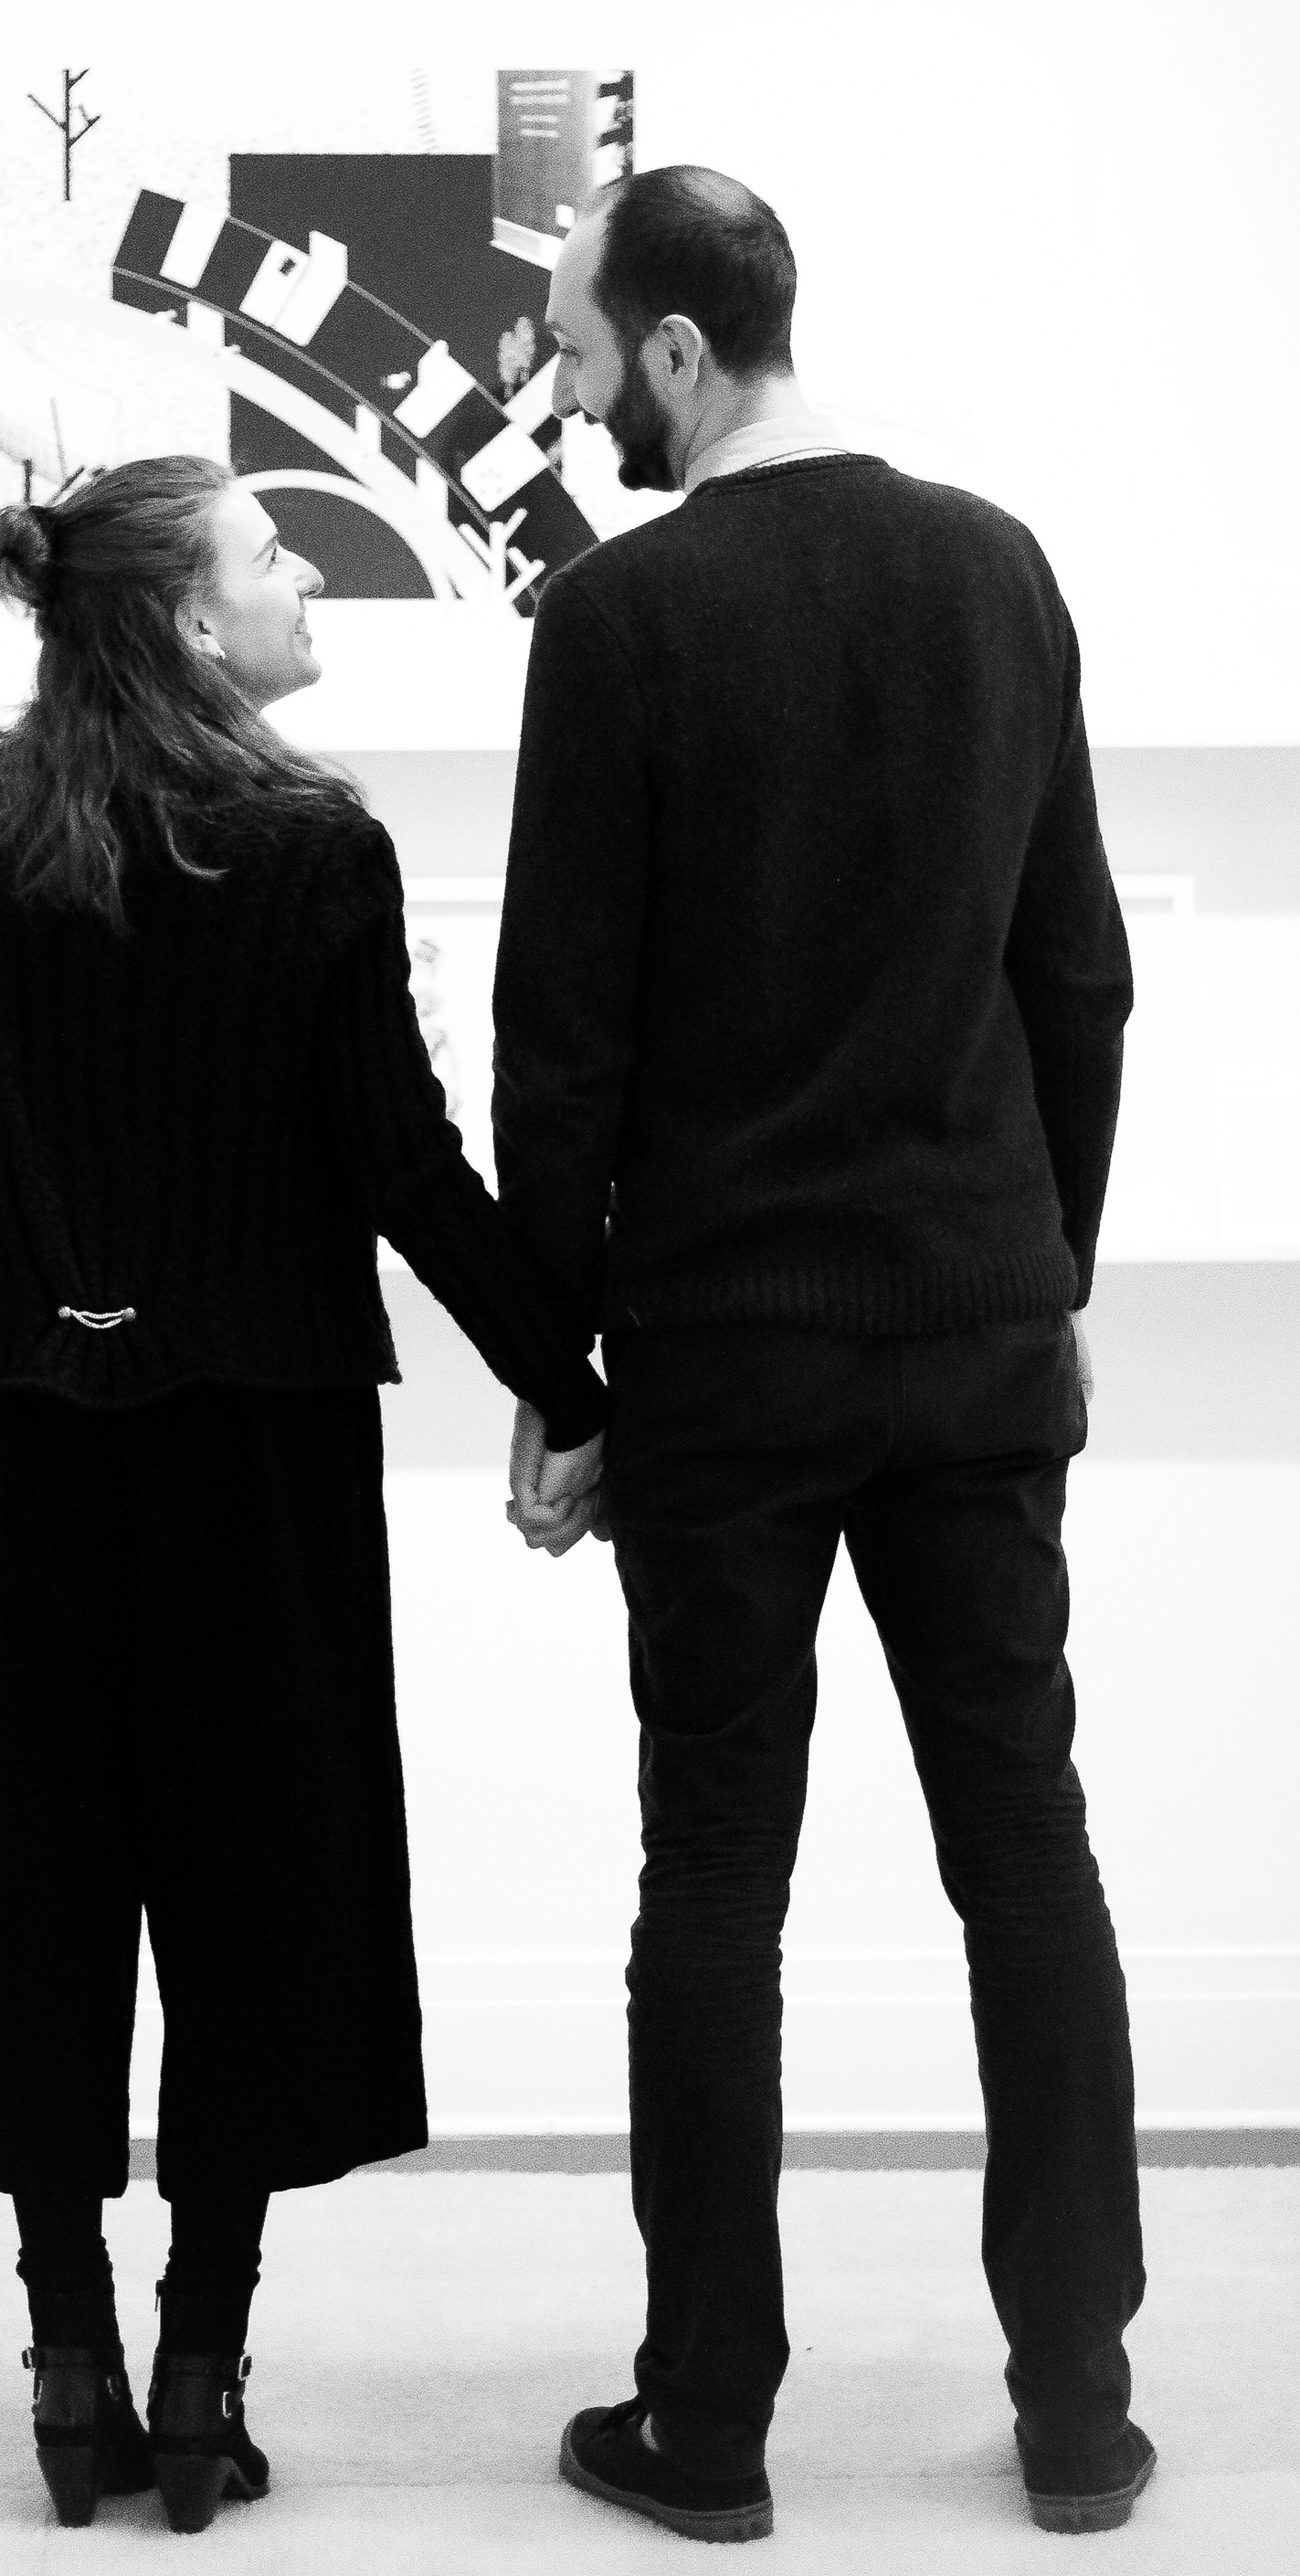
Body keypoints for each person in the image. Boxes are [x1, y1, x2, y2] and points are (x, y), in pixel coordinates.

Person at [0, 457, 607, 2537]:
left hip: (39, 1441)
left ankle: (68, 2359)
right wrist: (576, 1382)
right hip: (263, 1451)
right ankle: (197, 2371)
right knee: (257, 1895)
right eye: (268, 551)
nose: (301, 570)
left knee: (41, 1894)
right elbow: (406, 1171)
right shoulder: (317, 849)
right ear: (183, 617)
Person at [496, 166, 1150, 2544]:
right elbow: (1079, 975)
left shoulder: (622, 617)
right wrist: (1039, 1268)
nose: (576, 404)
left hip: (727, 1358)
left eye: (585, 357)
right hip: (974, 1334)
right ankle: (1076, 2409)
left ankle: (710, 2424)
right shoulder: (1000, 572)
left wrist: (559, 1380)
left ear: (681, 351)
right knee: (1028, 1853)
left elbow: (562, 1048)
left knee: (713, 1879)